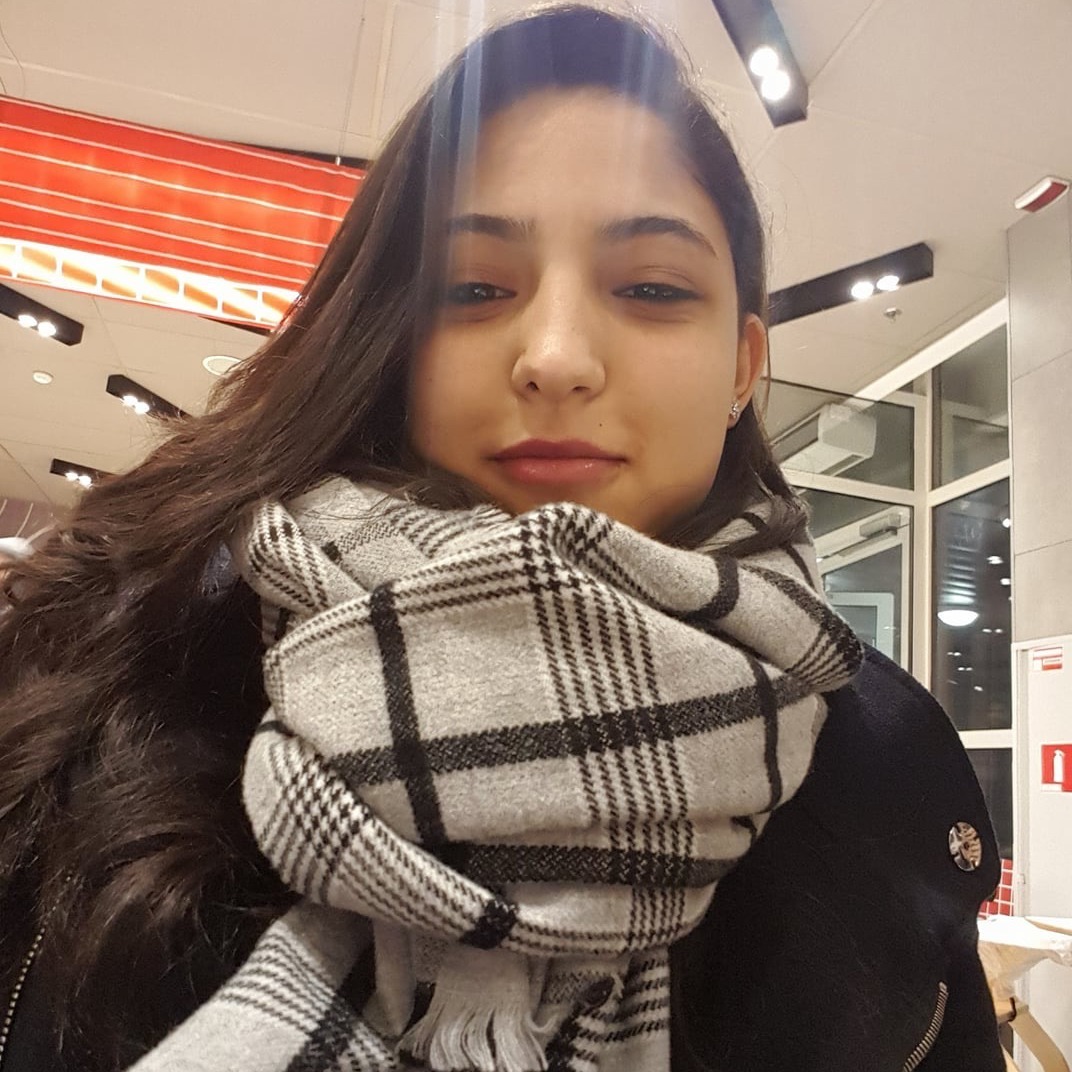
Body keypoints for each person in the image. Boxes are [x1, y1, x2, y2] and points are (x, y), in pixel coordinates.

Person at [0, 6, 1005, 1071]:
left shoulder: (884, 768)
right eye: (474, 288)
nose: (557, 356)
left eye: (652, 288)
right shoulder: (138, 676)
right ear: (390, 342)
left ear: (742, 368)